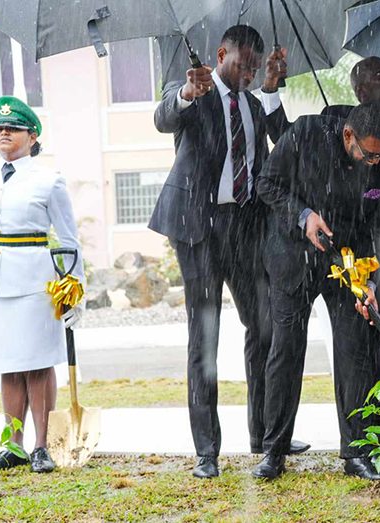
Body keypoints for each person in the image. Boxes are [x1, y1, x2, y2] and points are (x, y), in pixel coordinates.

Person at [148, 24, 307, 480]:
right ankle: (207, 452)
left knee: (264, 328)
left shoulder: (255, 103)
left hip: (244, 227)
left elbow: (289, 140)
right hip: (196, 227)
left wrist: (273, 89)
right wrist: (186, 94)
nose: (248, 74)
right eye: (243, 66)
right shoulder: (193, 88)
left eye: (255, 69)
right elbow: (163, 118)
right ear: (222, 54)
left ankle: (264, 433)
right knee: (205, 339)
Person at [253, 103, 380, 481]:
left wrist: (371, 279)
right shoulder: (305, 134)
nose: (374, 162)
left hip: (349, 264)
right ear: (348, 135)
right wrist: (304, 215)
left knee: (354, 354)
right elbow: (266, 184)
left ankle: (356, 452)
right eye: (368, 154)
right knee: (285, 350)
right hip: (292, 256)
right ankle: (274, 450)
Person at [0, 96, 85, 473]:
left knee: (38, 364)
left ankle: (42, 445)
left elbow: (70, 240)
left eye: (12, 128)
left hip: (34, 283)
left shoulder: (48, 180)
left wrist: (76, 290)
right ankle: (13, 445)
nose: (4, 133)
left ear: (33, 135)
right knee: (8, 365)